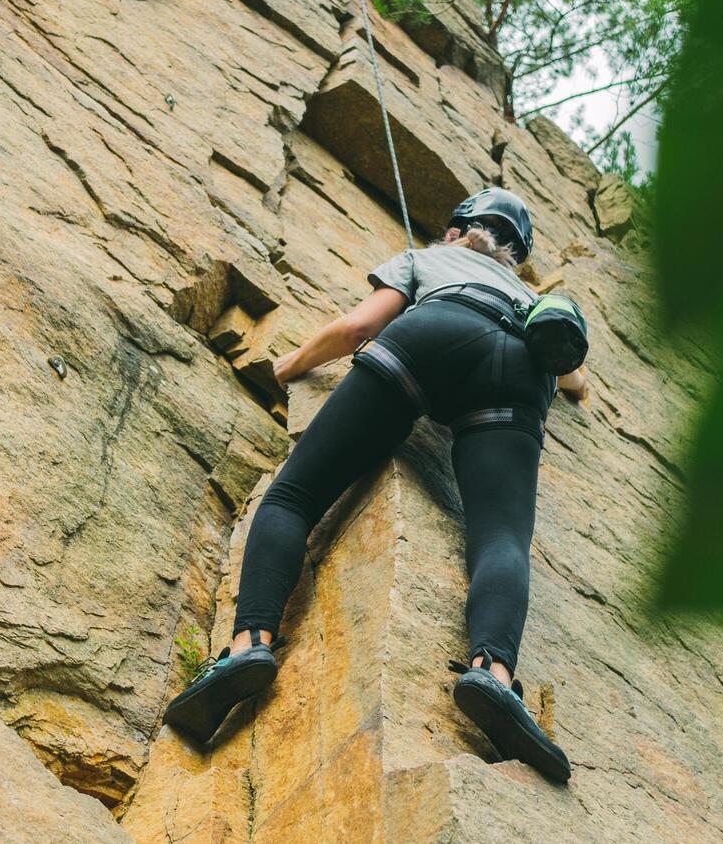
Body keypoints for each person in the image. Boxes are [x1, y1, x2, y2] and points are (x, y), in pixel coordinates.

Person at [162, 187, 589, 784]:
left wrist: (283, 369)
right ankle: (492, 676)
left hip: (432, 332)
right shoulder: (529, 296)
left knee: (294, 496)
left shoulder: (426, 258)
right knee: (501, 538)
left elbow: (360, 325)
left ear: (455, 231)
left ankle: (248, 646)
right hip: (519, 370)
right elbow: (575, 385)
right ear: (514, 255)